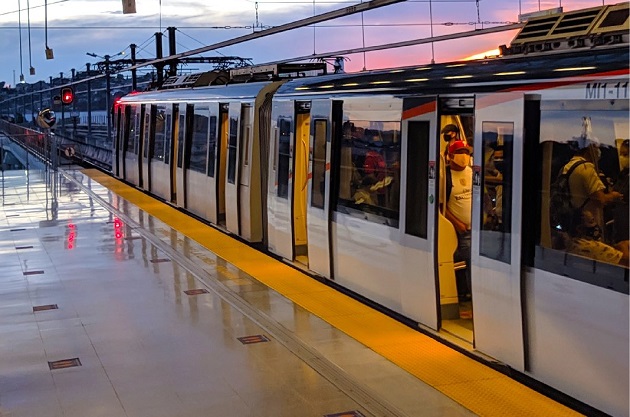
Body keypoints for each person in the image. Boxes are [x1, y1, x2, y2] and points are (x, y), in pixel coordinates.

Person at [563, 137, 625, 265]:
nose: (598, 152)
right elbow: (600, 199)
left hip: (573, 223)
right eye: (596, 148)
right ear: (589, 149)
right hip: (588, 224)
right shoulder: (586, 168)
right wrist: (613, 195)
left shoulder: (569, 166)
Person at [444, 140, 473, 301]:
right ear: (450, 156)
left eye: (466, 152)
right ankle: (470, 296)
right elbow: (441, 206)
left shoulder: (473, 172)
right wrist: (459, 225)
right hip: (462, 231)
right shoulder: (446, 176)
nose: (464, 156)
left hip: (478, 229)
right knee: (470, 263)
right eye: (460, 152)